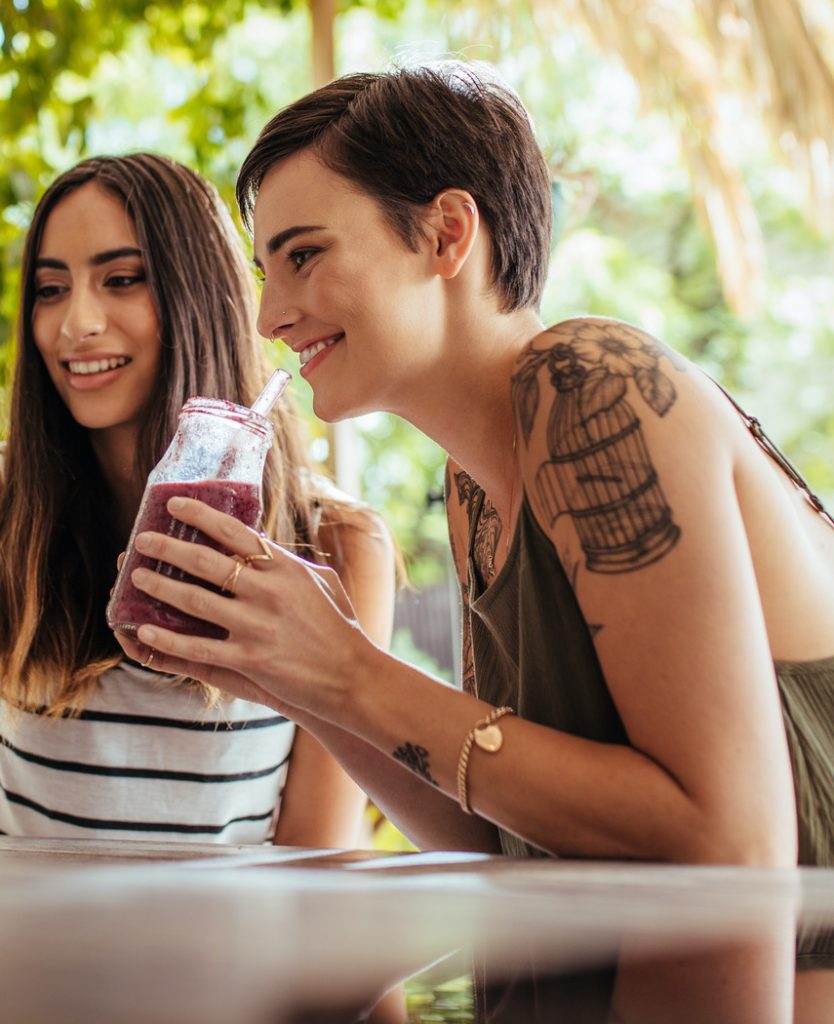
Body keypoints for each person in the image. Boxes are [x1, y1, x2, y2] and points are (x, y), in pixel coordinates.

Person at [116, 65, 834, 875]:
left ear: (448, 234)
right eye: (266, 274)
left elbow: (727, 842)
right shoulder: (475, 486)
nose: (270, 318)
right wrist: (300, 685)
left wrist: (352, 670)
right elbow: (498, 830)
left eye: (305, 257)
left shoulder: (593, 383)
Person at [0, 152, 395, 847]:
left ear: (199, 296)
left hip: (237, 954)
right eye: (50, 288)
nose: (76, 323)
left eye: (121, 280)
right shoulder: (8, 517)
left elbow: (317, 862)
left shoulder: (335, 546)